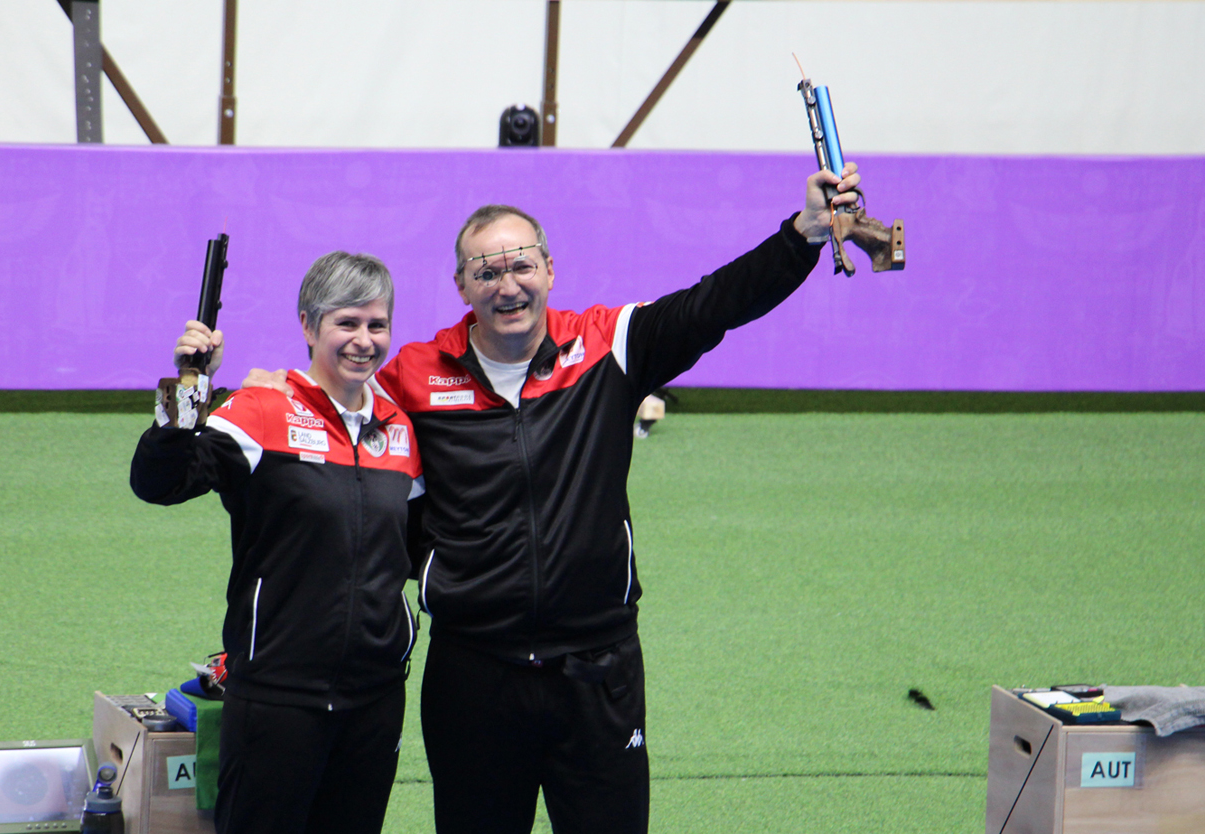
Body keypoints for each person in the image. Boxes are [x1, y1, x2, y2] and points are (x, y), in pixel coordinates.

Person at [244, 164, 863, 834]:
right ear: (461, 287)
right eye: (486, 271)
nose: (507, 285)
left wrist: (802, 233)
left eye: (521, 266)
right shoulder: (413, 378)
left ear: (549, 269)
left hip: (598, 673)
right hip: (473, 677)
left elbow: (715, 304)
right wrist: (286, 390)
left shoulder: (609, 346)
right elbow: (345, 411)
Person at [131, 251, 424, 834]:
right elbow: (157, 482)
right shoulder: (260, 410)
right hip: (276, 698)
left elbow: (413, 550)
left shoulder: (400, 428)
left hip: (376, 699)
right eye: (347, 323)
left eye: (377, 324)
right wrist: (191, 384)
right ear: (309, 325)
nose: (363, 340)